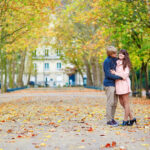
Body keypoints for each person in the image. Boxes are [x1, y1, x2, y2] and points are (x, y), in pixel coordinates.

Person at [110, 49, 136, 126]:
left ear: (125, 56)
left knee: (126, 102)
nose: (120, 55)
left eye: (122, 54)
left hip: (124, 84)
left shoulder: (126, 64)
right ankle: (131, 118)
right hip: (118, 84)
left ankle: (125, 120)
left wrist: (115, 73)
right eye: (120, 53)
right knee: (121, 102)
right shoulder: (116, 63)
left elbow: (125, 75)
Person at [103, 46, 122, 126]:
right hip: (109, 84)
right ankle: (108, 120)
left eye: (116, 52)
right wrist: (119, 77)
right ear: (110, 54)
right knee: (110, 102)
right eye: (114, 53)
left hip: (116, 84)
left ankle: (112, 118)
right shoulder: (106, 61)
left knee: (114, 103)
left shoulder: (116, 60)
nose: (116, 54)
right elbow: (108, 74)